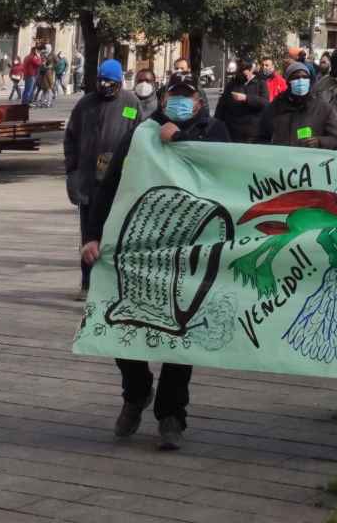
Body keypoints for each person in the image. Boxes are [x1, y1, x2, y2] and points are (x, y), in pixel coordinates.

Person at [84, 73, 228, 451]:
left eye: (187, 96)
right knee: (118, 318)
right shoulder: (141, 134)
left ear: (198, 102)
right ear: (164, 101)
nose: (180, 102)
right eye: (174, 96)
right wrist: (92, 235)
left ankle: (171, 415)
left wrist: (181, 141)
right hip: (140, 244)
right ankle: (136, 391)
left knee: (181, 332)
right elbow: (110, 184)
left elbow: (223, 172)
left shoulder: (215, 131)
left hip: (190, 249)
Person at [63, 59, 144, 301]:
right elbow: (71, 136)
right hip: (88, 182)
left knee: (117, 234)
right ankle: (87, 282)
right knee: (89, 233)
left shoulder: (130, 104)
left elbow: (138, 135)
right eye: (101, 81)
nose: (105, 86)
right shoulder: (85, 104)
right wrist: (72, 169)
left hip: (118, 183)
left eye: (110, 82)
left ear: (119, 83)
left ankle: (113, 283)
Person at [260, 62, 337, 148]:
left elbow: (334, 140)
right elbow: (262, 137)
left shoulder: (323, 108)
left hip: (309, 160)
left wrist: (319, 141)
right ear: (288, 81)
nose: (301, 81)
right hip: (281, 159)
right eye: (296, 77)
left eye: (305, 77)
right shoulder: (274, 107)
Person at [216, 58, 268, 143]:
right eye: (240, 71)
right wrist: (217, 124)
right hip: (233, 132)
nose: (242, 73)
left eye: (245, 70)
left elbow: (265, 103)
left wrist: (246, 98)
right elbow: (222, 105)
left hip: (253, 134)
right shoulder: (232, 84)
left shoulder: (260, 83)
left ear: (251, 69)